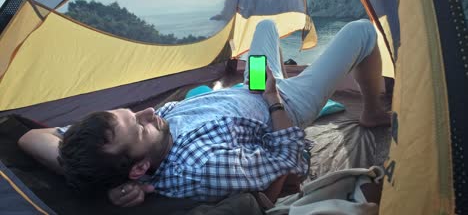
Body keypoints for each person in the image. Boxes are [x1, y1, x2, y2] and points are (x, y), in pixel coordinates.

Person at [18, 19, 389, 207]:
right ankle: (373, 111)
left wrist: (109, 184)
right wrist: (274, 99)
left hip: (252, 86)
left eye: (133, 114)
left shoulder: (103, 146)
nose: (148, 111)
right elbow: (289, 159)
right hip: (282, 102)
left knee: (265, 25)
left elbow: (29, 137)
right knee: (361, 32)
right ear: (139, 168)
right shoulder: (203, 166)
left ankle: (263, 72)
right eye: (142, 126)